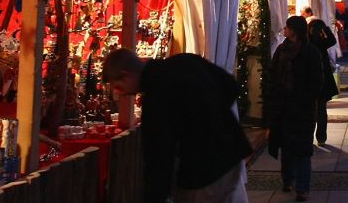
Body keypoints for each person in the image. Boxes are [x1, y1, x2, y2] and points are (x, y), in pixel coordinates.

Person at [102, 49, 251, 203]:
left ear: (127, 75)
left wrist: (155, 197)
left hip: (202, 173)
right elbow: (230, 86)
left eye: (118, 87)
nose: (120, 93)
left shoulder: (156, 98)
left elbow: (159, 156)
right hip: (232, 153)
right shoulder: (185, 61)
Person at [267, 16, 324, 201]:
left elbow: (317, 80)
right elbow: (272, 73)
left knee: (302, 148)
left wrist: (306, 98)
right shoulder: (281, 49)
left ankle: (302, 187)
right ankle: (287, 179)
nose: (284, 29)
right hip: (283, 106)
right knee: (286, 145)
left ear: (294, 30)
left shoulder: (310, 52)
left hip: (302, 108)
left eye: (287, 26)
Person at [307, 16, 339, 146]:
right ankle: (321, 137)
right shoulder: (321, 42)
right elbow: (332, 40)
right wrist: (325, 27)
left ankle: (309, 137)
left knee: (309, 110)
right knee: (321, 110)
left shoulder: (307, 42)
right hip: (323, 80)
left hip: (310, 81)